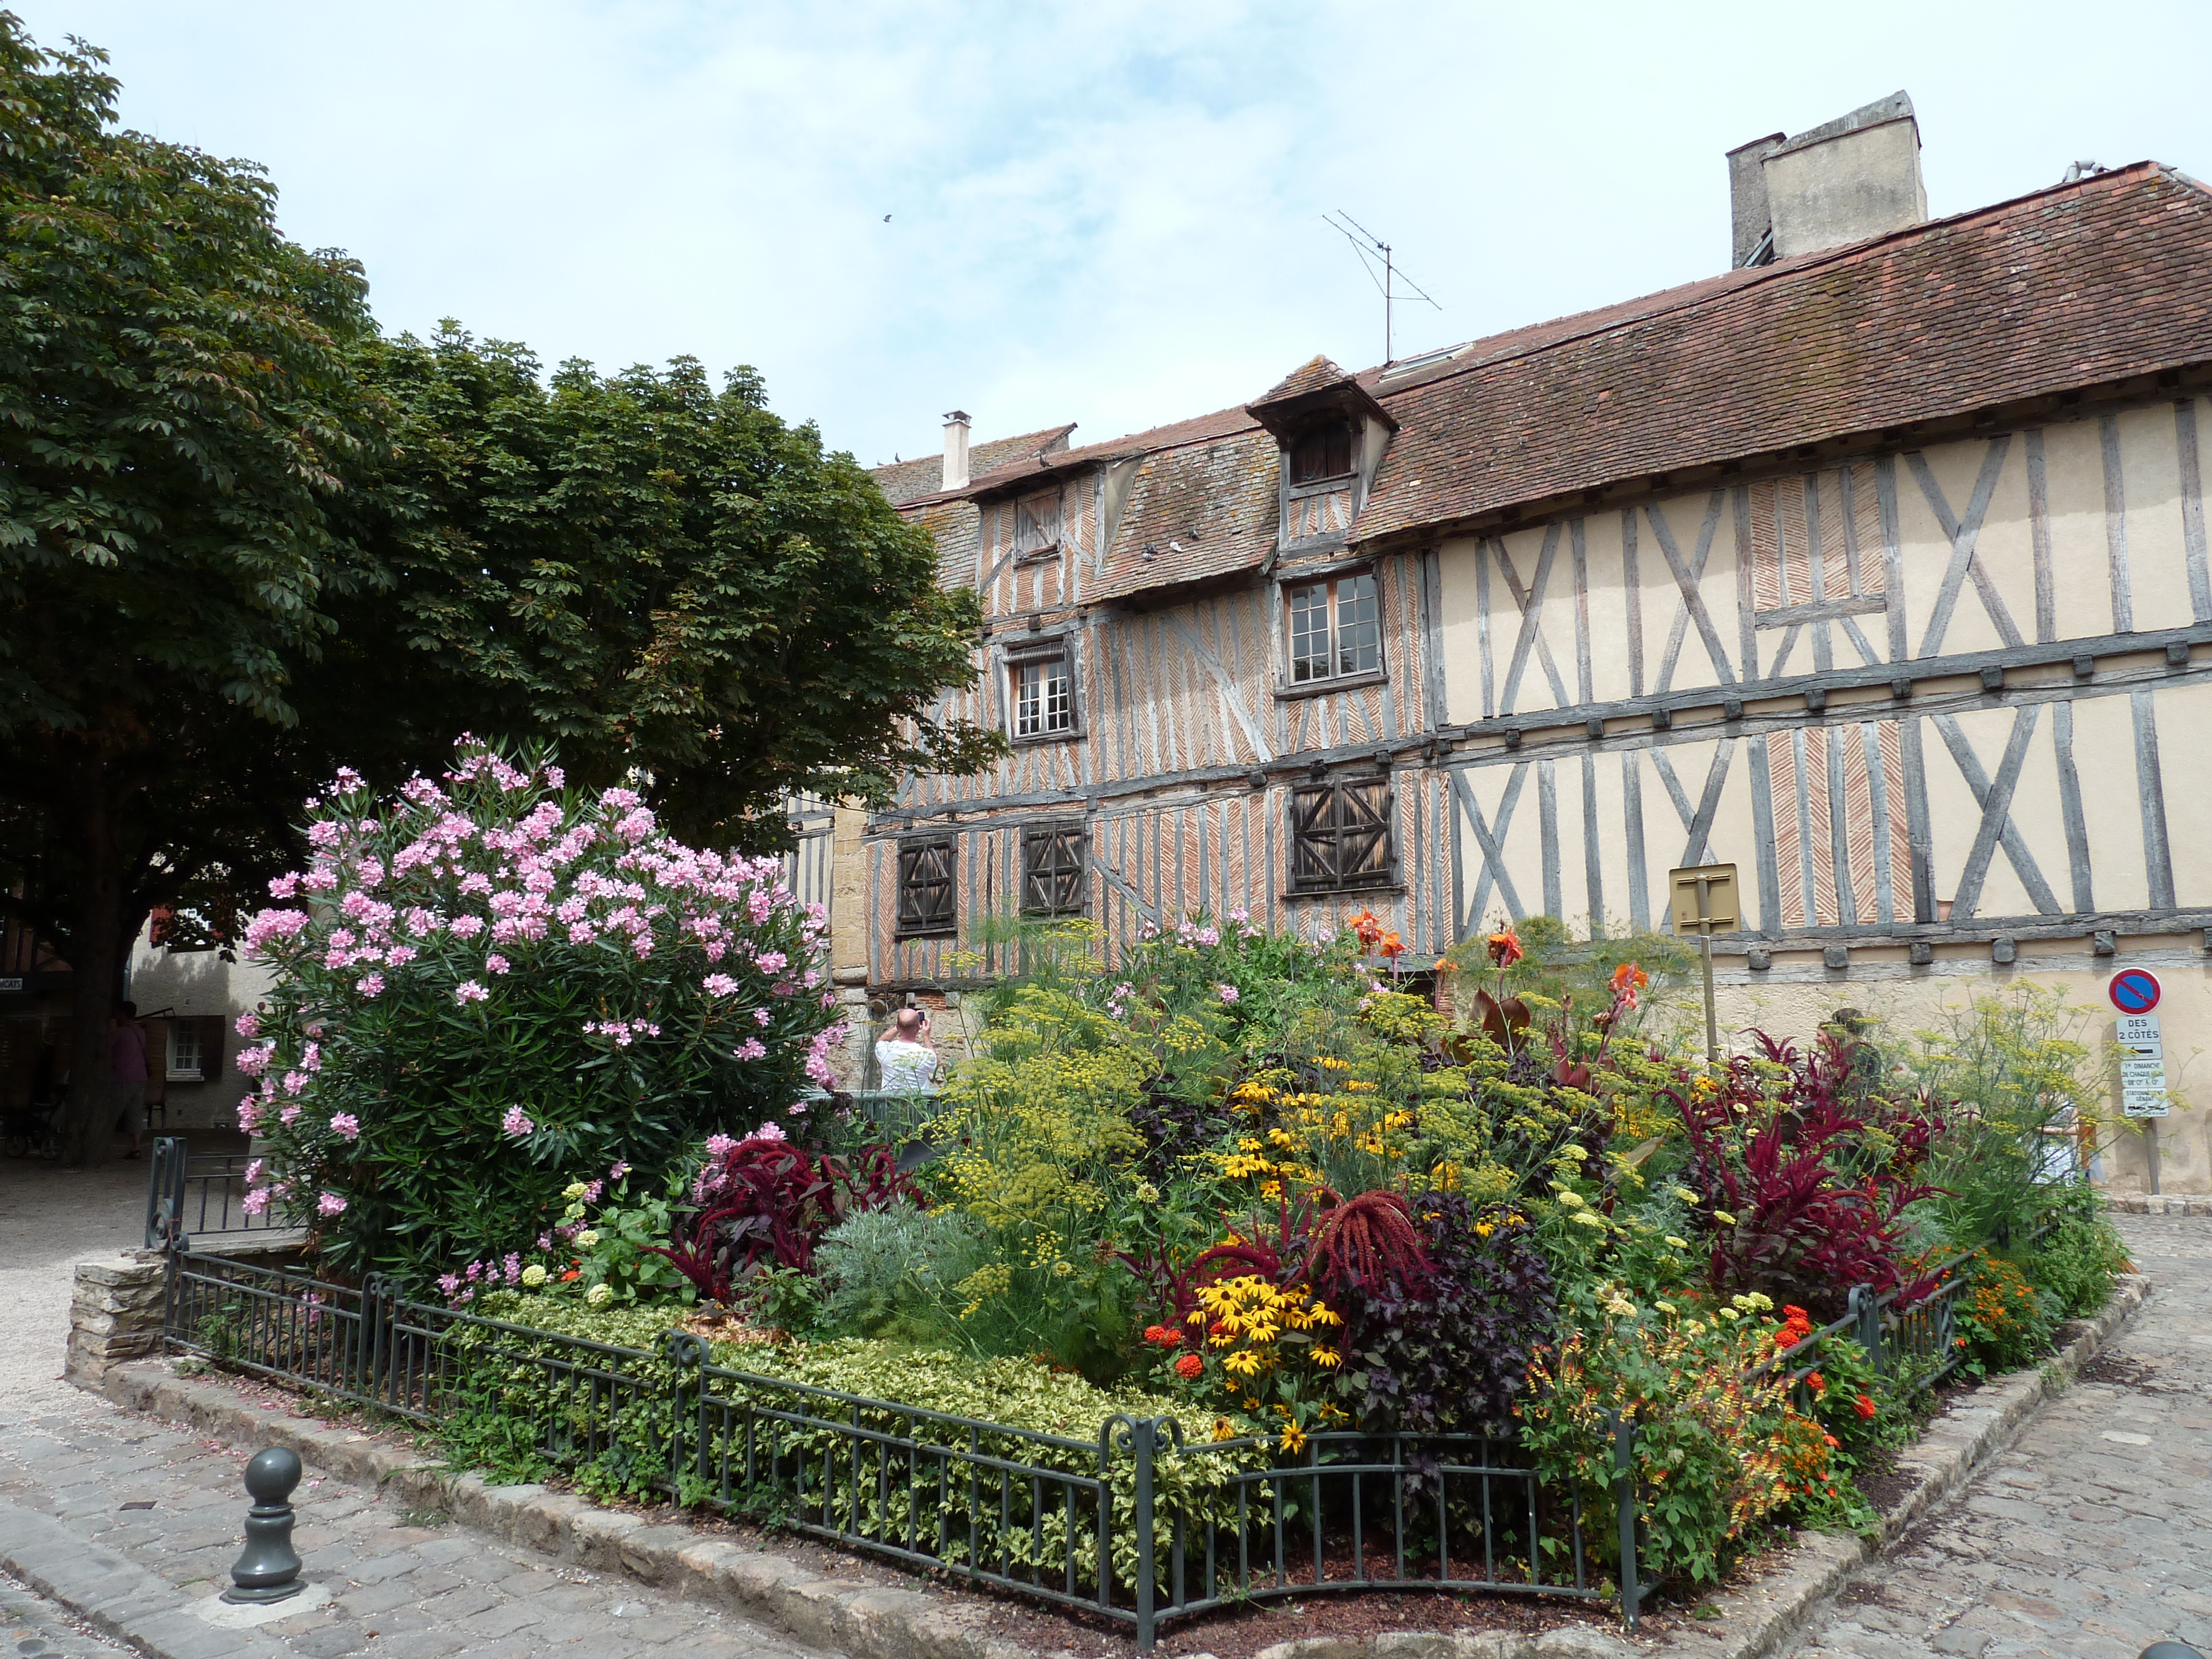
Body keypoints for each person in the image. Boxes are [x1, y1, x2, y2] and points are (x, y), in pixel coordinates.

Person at [108, 1000, 148, 1157]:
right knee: (136, 1114)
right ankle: (136, 1147)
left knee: (111, 1114)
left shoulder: (120, 1033)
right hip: (141, 1077)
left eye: (117, 1013)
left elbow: (102, 1049)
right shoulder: (140, 1032)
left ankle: (101, 1147)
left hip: (122, 1078)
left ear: (123, 1014)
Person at [873, 1006, 939, 1093]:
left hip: (889, 1103)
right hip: (916, 1103)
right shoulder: (925, 1054)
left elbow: (881, 1041)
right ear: (918, 1026)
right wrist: (926, 1036)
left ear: (898, 1026)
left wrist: (900, 1026)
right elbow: (936, 1064)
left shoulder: (886, 1050)